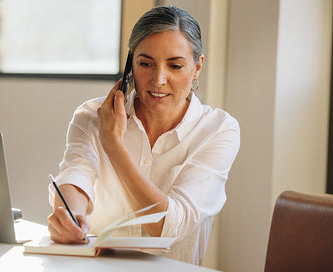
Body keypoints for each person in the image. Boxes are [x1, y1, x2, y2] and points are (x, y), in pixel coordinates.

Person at [47, 6, 240, 265]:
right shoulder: (92, 116)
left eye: (175, 66)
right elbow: (75, 174)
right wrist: (69, 215)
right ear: (130, 66)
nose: (158, 79)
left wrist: (114, 147)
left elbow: (168, 226)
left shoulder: (218, 130)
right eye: (145, 64)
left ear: (196, 68)